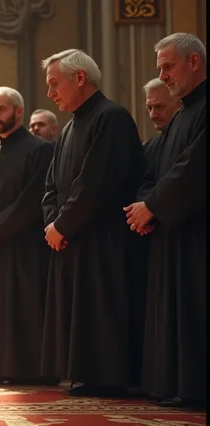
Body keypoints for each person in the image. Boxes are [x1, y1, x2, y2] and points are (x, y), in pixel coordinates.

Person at [40, 49, 146, 396]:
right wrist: (52, 224)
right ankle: (86, 373)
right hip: (71, 236)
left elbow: (96, 184)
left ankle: (109, 377)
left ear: (80, 78)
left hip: (104, 239)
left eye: (54, 84)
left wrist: (62, 226)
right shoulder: (70, 128)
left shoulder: (111, 117)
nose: (50, 93)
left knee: (102, 307)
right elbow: (51, 185)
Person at [126, 33, 207, 408]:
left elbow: (193, 168)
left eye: (168, 66)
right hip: (171, 229)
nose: (164, 75)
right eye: (160, 68)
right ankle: (178, 384)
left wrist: (152, 207)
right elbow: (156, 171)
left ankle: (195, 386)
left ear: (194, 62)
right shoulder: (180, 115)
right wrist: (144, 207)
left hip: (196, 232)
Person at [0, 88, 55, 384]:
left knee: (25, 306)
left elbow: (31, 201)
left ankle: (31, 371)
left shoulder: (40, 150)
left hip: (25, 246)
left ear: (19, 112)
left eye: (1, 110)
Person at [122, 76, 183, 389]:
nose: (153, 113)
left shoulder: (188, 133)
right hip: (154, 239)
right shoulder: (152, 145)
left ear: (177, 103)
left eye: (160, 106)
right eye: (148, 107)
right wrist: (142, 210)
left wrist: (153, 209)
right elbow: (145, 180)